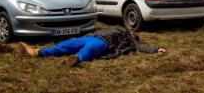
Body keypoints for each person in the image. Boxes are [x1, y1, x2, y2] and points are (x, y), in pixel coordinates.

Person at [17, 26, 166, 67]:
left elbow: (141, 47)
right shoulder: (118, 27)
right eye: (133, 33)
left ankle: (75, 59)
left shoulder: (129, 39)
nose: (133, 33)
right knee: (64, 45)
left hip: (101, 42)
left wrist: (156, 49)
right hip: (89, 37)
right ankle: (37, 52)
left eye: (135, 35)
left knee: (87, 52)